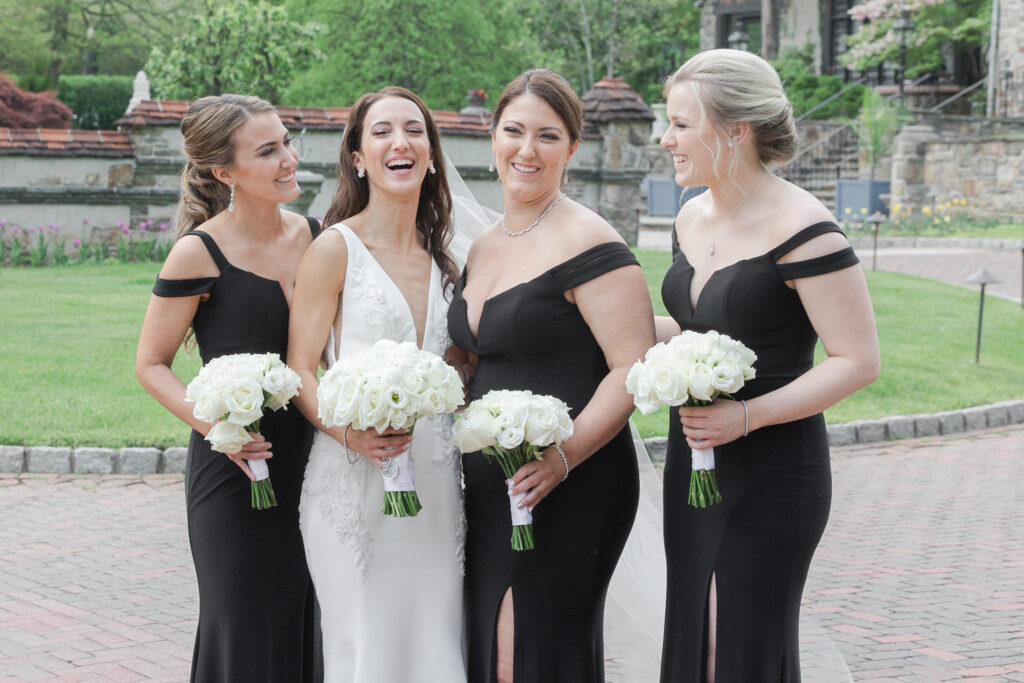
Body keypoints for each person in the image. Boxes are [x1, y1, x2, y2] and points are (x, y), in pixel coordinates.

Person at [656, 49, 880, 682]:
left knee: (739, 644)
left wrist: (747, 418)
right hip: (693, 460)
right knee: (695, 632)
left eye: (680, 123)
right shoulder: (689, 217)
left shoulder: (807, 230)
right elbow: (702, 328)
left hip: (774, 471)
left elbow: (858, 360)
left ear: (735, 130)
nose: (666, 139)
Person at [447, 68, 657, 683]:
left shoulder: (589, 239)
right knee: (490, 640)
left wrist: (563, 457)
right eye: (514, 131)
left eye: (547, 135)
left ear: (571, 147)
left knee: (529, 648)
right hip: (492, 487)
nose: (527, 150)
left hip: (573, 479)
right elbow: (479, 351)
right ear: (493, 137)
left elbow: (632, 365)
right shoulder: (484, 243)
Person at [135, 94, 321, 682]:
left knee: (306, 621)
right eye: (268, 151)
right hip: (234, 475)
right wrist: (221, 430)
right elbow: (151, 363)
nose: (288, 158)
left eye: (287, 141)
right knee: (242, 627)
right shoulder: (198, 252)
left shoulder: (320, 237)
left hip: (316, 467)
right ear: (224, 172)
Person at [287, 86, 468, 682]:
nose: (401, 141)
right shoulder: (334, 249)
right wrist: (348, 433)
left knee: (435, 640)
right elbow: (300, 368)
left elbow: (463, 366)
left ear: (433, 154)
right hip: (352, 482)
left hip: (437, 484)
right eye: (383, 131)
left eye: (415, 130)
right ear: (359, 158)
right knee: (362, 643)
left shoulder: (451, 262)